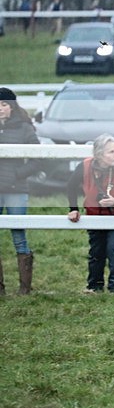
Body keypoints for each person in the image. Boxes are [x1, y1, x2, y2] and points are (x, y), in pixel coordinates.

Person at [67, 134, 114, 293]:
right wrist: (73, 209)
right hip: (94, 214)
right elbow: (71, 186)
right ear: (98, 153)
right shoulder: (84, 166)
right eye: (111, 152)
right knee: (96, 251)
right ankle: (94, 286)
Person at [0, 87, 40, 295]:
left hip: (16, 188)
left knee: (18, 234)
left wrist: (17, 174)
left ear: (12, 107)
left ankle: (25, 288)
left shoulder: (25, 128)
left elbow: (36, 159)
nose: (0, 109)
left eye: (4, 104)